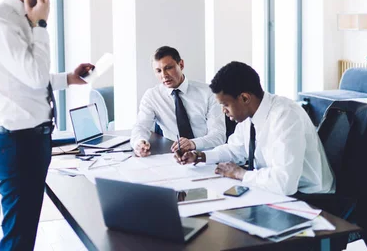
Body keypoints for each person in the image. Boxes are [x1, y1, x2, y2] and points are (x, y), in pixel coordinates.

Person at [0, 0, 94, 251]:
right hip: (17, 144)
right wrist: (42, 23)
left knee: (25, 232)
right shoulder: (0, 21)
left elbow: (27, 82)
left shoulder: (22, 17)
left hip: (33, 139)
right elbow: (34, 75)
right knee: (18, 236)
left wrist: (69, 78)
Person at [177, 61, 335, 196]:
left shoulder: (286, 116)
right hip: (272, 190)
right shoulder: (249, 115)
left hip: (309, 197)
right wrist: (200, 156)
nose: (223, 111)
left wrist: (241, 174)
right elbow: (235, 149)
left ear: (245, 98)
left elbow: (284, 182)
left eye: (225, 104)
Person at [131, 46, 225, 157]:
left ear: (181, 65)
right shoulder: (152, 96)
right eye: (158, 71)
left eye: (168, 68)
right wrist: (139, 142)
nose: (164, 75)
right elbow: (141, 126)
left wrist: (193, 143)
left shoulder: (208, 92)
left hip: (207, 155)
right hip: (174, 157)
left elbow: (219, 136)